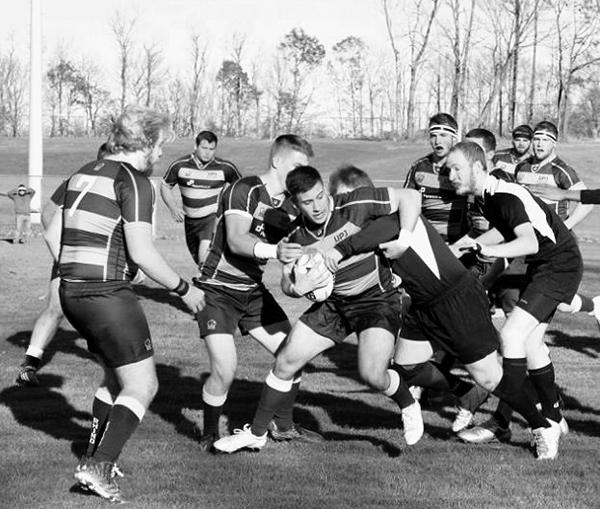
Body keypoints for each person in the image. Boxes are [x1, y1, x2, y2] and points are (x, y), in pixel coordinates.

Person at [44, 107, 206, 502]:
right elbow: (144, 253)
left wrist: (74, 266)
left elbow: (51, 225)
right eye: (160, 145)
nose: (161, 154)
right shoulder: (133, 181)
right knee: (143, 383)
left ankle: (96, 455)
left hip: (72, 292)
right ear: (146, 142)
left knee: (115, 378)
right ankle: (97, 466)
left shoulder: (85, 170)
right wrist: (185, 289)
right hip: (106, 296)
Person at [213, 165, 426, 453]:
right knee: (286, 360)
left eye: (319, 197)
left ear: (325, 190)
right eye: (307, 202)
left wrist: (405, 239)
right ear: (295, 203)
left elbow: (411, 196)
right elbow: (287, 282)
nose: (317, 207)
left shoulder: (355, 203)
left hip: (375, 300)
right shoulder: (294, 235)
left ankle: (407, 403)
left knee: (373, 374)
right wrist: (295, 286)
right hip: (334, 305)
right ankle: (258, 432)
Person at [446, 141, 582, 459]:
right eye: (448, 170)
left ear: (478, 167)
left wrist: (485, 249)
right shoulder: (489, 197)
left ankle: (528, 425)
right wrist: (472, 246)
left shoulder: (503, 196)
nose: (450, 175)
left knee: (511, 335)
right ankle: (552, 417)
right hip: (546, 266)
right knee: (532, 345)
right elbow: (506, 233)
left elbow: (528, 242)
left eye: (456, 168)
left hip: (558, 266)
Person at [193, 134, 322, 452]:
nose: (300, 175)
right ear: (277, 161)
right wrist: (275, 251)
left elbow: (294, 258)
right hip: (217, 290)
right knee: (225, 368)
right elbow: (237, 240)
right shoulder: (245, 189)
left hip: (252, 292)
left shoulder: (293, 207)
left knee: (293, 356)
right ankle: (210, 433)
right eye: (296, 166)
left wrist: (302, 284)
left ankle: (283, 427)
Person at [15, 144, 110, 387]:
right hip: (75, 255)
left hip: (101, 257)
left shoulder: (118, 182)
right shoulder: (77, 180)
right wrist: (62, 252)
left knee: (96, 312)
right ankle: (29, 365)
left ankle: (115, 366)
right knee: (56, 309)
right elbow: (48, 214)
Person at [161, 130, 241, 267]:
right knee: (200, 262)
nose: (207, 152)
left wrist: (229, 210)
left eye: (211, 149)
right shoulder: (180, 165)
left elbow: (241, 187)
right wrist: (173, 208)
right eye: (204, 148)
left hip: (212, 219)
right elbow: (165, 186)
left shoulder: (225, 167)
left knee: (204, 258)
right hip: (190, 222)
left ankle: (210, 285)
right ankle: (216, 283)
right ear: (195, 146)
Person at [404, 112, 468, 243]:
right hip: (425, 240)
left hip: (458, 242)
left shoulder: (466, 167)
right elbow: (406, 203)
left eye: (443, 135)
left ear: (454, 138)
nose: (437, 141)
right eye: (433, 136)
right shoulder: (419, 167)